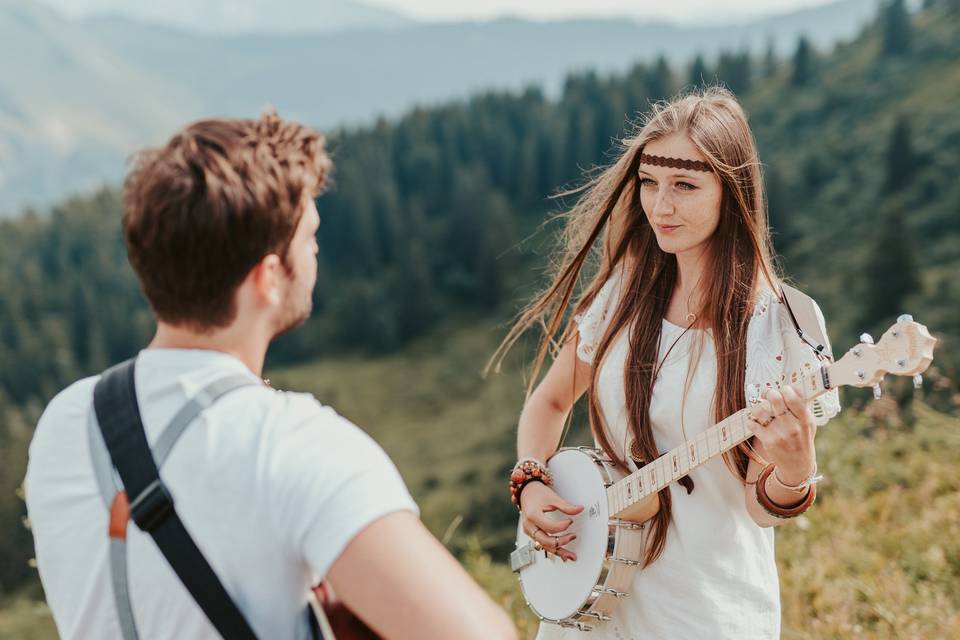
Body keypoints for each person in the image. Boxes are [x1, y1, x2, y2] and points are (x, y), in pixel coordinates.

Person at [24, 113, 516, 640]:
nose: (317, 250)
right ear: (268, 277)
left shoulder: (67, 420)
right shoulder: (296, 444)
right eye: (310, 236)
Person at [492, 87, 840, 639]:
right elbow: (552, 400)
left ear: (732, 192)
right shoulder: (624, 291)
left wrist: (795, 472)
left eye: (684, 186)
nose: (660, 206)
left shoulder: (781, 325)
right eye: (649, 184)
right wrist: (531, 482)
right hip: (589, 603)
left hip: (703, 611)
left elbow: (761, 507)